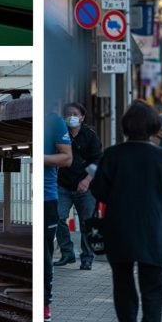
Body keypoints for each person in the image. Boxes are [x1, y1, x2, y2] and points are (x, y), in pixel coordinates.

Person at [90, 101, 162, 322]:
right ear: (152, 127)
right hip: (154, 229)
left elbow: (99, 191)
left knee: (123, 283)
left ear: (126, 127)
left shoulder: (113, 155)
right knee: (153, 287)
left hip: (120, 228)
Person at [53, 102, 102, 270]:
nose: (71, 117)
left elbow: (97, 160)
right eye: (67, 114)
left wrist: (87, 180)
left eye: (74, 114)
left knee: (86, 222)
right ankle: (67, 252)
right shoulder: (60, 134)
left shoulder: (90, 136)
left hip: (86, 186)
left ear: (82, 117)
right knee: (57, 216)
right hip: (63, 185)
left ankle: (87, 257)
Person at [44, 112, 72, 322]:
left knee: (45, 254)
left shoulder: (54, 121)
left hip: (47, 197)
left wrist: (41, 158)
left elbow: (67, 157)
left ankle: (45, 303)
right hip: (41, 197)